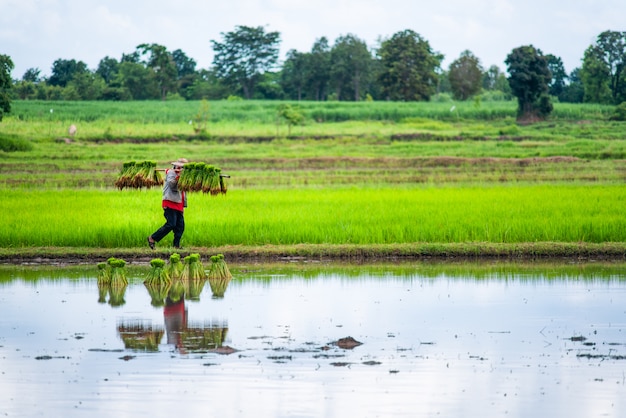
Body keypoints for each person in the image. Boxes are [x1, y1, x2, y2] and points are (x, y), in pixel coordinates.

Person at [147, 158, 188, 249]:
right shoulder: (171, 173)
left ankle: (176, 246)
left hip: (179, 203)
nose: (181, 168)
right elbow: (172, 185)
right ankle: (152, 238)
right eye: (180, 167)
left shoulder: (186, 176)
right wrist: (178, 176)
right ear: (176, 166)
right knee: (171, 224)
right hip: (170, 202)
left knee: (180, 226)